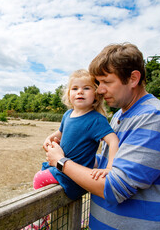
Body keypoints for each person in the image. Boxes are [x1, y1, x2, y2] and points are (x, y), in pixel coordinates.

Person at [45, 43, 160, 229]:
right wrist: (79, 155)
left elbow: (114, 187)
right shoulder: (120, 115)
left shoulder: (156, 117)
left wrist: (61, 162)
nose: (100, 90)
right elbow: (109, 165)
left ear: (133, 79)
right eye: (97, 83)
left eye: (106, 82)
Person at [34, 69, 119, 201]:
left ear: (96, 95)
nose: (80, 91)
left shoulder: (96, 119)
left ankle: (40, 222)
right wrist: (49, 138)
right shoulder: (67, 115)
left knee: (39, 178)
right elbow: (60, 132)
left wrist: (110, 168)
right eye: (75, 88)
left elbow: (113, 141)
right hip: (61, 167)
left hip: (74, 173)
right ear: (69, 95)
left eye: (86, 88)